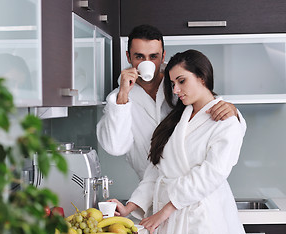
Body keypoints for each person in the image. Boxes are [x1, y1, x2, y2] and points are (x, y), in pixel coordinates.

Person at [109, 50, 247, 234]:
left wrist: (165, 211)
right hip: (170, 221)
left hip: (201, 219)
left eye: (181, 81)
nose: (175, 90)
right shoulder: (177, 119)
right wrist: (128, 208)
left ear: (202, 77)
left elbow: (211, 174)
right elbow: (158, 170)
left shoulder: (226, 121)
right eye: (173, 84)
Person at [96, 24, 246, 180]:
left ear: (163, 56)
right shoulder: (119, 98)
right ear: (128, 57)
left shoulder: (180, 85)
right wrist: (123, 96)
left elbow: (222, 126)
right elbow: (115, 147)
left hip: (191, 183)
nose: (147, 63)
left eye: (153, 56)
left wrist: (232, 111)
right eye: (139, 56)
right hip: (150, 189)